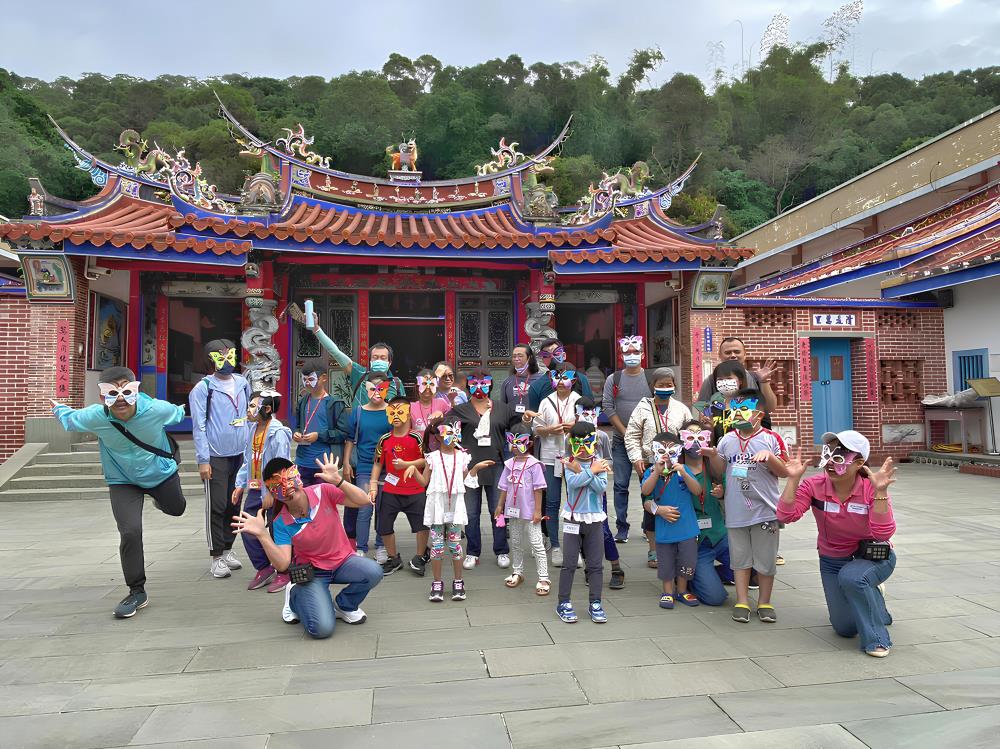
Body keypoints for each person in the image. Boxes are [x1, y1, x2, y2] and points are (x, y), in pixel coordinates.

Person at [51, 368, 186, 619]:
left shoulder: (155, 410)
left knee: (177, 509)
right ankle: (136, 591)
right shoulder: (95, 416)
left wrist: (183, 408)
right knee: (130, 531)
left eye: (126, 390)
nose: (120, 398)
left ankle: (159, 500)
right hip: (122, 480)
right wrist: (57, 407)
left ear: (136, 390)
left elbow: (177, 413)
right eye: (112, 392)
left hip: (160, 474)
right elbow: (69, 419)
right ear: (102, 396)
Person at [233, 456, 383, 639]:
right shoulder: (281, 522)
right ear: (273, 493)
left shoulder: (322, 491)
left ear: (298, 478)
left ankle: (344, 605)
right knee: (322, 629)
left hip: (343, 561)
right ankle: (295, 597)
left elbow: (363, 501)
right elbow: (282, 564)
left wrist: (339, 481)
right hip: (313, 573)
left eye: (289, 479)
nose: (287, 487)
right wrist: (263, 535)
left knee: (373, 571)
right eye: (278, 485)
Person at [778, 431, 897, 657]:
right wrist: (792, 479)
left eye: (840, 454)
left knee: (853, 578)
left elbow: (883, 533)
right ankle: (874, 601)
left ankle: (877, 639)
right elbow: (786, 516)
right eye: (829, 452)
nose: (832, 460)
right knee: (845, 628)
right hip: (833, 559)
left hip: (872, 557)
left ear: (859, 462)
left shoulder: (870, 487)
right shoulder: (814, 486)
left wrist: (880, 492)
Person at [702, 389, 789, 624]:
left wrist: (770, 457)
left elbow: (785, 471)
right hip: (736, 511)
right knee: (739, 559)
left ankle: (765, 602)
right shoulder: (727, 440)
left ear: (759, 414)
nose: (738, 414)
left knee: (765, 560)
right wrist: (713, 456)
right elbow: (719, 471)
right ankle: (742, 601)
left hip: (765, 512)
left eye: (744, 409)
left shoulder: (771, 439)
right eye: (734, 410)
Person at [443, 368, 519, 570]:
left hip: (497, 465)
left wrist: (526, 421)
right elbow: (446, 431)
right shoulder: (460, 410)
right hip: (469, 468)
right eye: (474, 383)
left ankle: (501, 550)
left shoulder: (502, 408)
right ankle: (472, 551)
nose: (478, 387)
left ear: (490, 384)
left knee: (498, 509)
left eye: (483, 383)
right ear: (468, 385)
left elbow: (518, 429)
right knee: (471, 513)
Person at [411, 420, 494, 601]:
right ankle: (437, 583)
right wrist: (413, 469)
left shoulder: (463, 456)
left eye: (454, 433)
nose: (452, 437)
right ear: (438, 436)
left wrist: (476, 469)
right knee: (437, 546)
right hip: (438, 508)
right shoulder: (432, 457)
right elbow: (424, 481)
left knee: (455, 546)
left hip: (455, 507)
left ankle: (458, 581)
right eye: (447, 433)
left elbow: (465, 479)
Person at [189, 339, 251, 579]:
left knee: (234, 504)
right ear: (210, 360)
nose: (226, 360)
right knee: (217, 505)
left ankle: (227, 549)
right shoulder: (203, 388)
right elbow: (199, 426)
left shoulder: (243, 383)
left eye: (230, 354)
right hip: (215, 456)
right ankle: (216, 556)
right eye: (220, 355)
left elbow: (250, 415)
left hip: (240, 454)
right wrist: (203, 459)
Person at [624, 367, 693, 568]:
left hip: (675, 466)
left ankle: (676, 544)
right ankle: (653, 548)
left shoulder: (681, 409)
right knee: (650, 504)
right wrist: (636, 458)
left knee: (675, 503)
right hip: (650, 465)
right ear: (652, 386)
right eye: (660, 385)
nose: (665, 388)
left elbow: (689, 434)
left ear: (674, 385)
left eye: (668, 384)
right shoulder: (642, 408)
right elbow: (632, 435)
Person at [232, 390, 292, 591]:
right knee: (247, 525)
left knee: (278, 530)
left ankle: (284, 571)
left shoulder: (278, 432)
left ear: (266, 409)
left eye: (253, 406)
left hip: (276, 490)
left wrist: (271, 492)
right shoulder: (253, 429)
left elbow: (281, 466)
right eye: (249, 405)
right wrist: (240, 484)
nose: (248, 410)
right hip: (255, 488)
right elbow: (248, 460)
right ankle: (264, 567)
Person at [555, 422, 610, 624]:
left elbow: (601, 488)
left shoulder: (600, 463)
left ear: (595, 442)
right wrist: (587, 471)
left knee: (595, 564)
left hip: (594, 519)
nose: (582, 448)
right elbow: (573, 483)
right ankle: (563, 602)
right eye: (577, 443)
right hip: (573, 518)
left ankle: (595, 602)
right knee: (569, 563)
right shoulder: (569, 462)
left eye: (587, 443)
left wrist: (590, 471)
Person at [641, 433, 702, 609]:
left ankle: (682, 590)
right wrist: (656, 472)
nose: (666, 455)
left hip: (687, 528)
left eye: (671, 451)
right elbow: (646, 492)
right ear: (654, 451)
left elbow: (697, 490)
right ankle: (667, 591)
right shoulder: (651, 472)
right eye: (661, 451)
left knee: (687, 560)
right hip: (664, 529)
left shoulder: (684, 470)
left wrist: (684, 472)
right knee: (666, 561)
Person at [602, 335, 652, 543]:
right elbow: (607, 407)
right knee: (620, 485)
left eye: (635, 352)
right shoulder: (614, 379)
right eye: (627, 352)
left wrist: (641, 435)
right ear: (621, 356)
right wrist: (626, 432)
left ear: (643, 354)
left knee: (648, 484)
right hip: (620, 441)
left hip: (646, 442)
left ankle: (648, 526)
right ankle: (622, 527)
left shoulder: (651, 377)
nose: (631, 355)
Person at [532, 364, 583, 566]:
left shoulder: (578, 401)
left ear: (574, 380)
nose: (561, 382)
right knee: (552, 502)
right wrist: (549, 430)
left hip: (574, 458)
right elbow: (536, 429)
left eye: (565, 377)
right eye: (557, 377)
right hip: (550, 457)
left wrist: (575, 427)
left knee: (574, 502)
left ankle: (575, 548)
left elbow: (589, 427)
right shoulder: (546, 401)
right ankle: (555, 546)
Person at [677, 420, 732, 606]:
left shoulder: (713, 467)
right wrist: (658, 509)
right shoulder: (675, 469)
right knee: (715, 598)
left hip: (720, 535)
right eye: (689, 436)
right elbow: (649, 497)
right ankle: (692, 576)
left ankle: (706, 576)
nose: (695, 441)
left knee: (755, 570)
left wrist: (722, 493)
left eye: (700, 436)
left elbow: (730, 487)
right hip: (696, 543)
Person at [371, 397, 428, 576]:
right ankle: (393, 558)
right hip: (390, 489)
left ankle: (420, 556)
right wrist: (373, 485)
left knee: (422, 525)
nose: (396, 416)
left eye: (400, 411)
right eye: (392, 412)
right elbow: (378, 463)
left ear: (409, 413)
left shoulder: (417, 437)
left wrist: (407, 464)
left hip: (415, 489)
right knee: (384, 525)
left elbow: (426, 460)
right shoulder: (384, 439)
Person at [573, 397, 625, 589]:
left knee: (602, 528)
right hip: (576, 490)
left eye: (592, 413)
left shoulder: (601, 436)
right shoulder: (571, 436)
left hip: (596, 489)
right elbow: (568, 461)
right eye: (583, 412)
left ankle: (616, 567)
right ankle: (590, 567)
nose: (588, 416)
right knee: (580, 529)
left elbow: (608, 459)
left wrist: (600, 467)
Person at [495, 424, 550, 595]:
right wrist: (500, 506)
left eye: (519, 442)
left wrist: (538, 511)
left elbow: (539, 489)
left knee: (536, 543)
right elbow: (504, 487)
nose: (515, 446)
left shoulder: (534, 465)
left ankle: (543, 577)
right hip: (513, 510)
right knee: (516, 542)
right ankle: (517, 571)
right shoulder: (508, 464)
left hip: (531, 511)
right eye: (512, 441)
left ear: (529, 443)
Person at [305, 316, 405, 407]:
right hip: (360, 422)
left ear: (389, 362)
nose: (379, 360)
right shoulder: (359, 374)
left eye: (383, 358)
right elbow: (336, 352)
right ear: (370, 361)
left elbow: (403, 409)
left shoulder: (396, 383)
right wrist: (316, 329)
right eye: (375, 357)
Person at [343, 373, 391, 559]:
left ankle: (381, 546)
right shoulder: (358, 412)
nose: (377, 393)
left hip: (387, 468)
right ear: (366, 389)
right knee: (364, 507)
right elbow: (350, 439)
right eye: (373, 388)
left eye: (381, 389)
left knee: (383, 509)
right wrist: (346, 462)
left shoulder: (392, 411)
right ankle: (361, 547)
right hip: (364, 466)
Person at [294, 360, 349, 482]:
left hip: (325, 463)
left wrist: (319, 436)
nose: (307, 383)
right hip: (302, 461)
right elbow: (298, 426)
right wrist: (296, 433)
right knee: (302, 494)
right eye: (304, 379)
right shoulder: (302, 402)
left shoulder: (335, 403)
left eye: (311, 379)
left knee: (321, 494)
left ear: (324, 378)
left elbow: (343, 433)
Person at [697, 336, 779, 415]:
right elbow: (701, 411)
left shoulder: (756, 377)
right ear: (720, 356)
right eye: (727, 353)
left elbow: (770, 408)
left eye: (737, 352)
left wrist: (764, 382)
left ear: (745, 354)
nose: (733, 355)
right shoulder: (711, 380)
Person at [528, 338, 594, 410]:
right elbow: (534, 414)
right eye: (546, 355)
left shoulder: (581, 378)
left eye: (556, 353)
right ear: (542, 359)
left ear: (564, 355)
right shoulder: (536, 386)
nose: (552, 357)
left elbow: (589, 407)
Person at [500, 344, 544, 415]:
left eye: (520, 356)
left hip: (535, 420)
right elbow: (503, 407)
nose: (516, 359)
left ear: (529, 358)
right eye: (514, 356)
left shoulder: (541, 380)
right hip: (513, 421)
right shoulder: (507, 381)